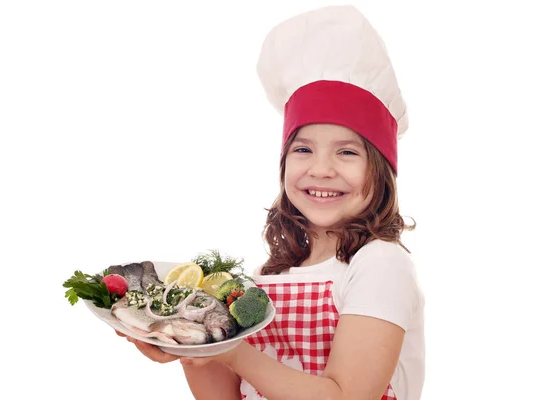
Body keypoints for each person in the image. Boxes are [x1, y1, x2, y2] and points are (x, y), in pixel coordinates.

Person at [117, 5, 425, 400]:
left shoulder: (379, 264)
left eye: (347, 153)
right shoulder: (274, 272)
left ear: (379, 171)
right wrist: (192, 343)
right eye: (303, 150)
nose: (321, 169)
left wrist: (235, 352)